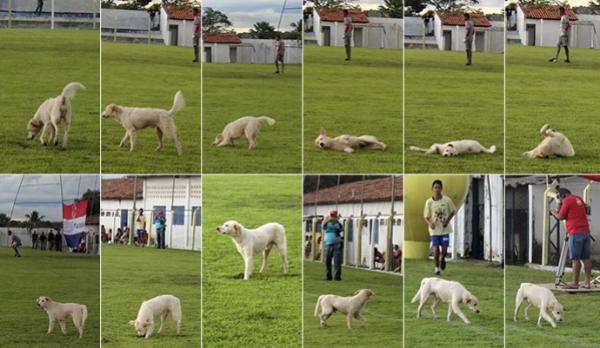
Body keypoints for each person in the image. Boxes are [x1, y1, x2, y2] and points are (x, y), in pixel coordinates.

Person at [551, 188, 593, 289]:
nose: (560, 200)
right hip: (586, 232)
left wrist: (553, 212)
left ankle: (575, 283)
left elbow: (561, 217)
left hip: (575, 232)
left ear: (563, 196)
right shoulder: (578, 198)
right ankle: (588, 283)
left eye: (559, 198)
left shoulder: (567, 200)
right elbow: (584, 210)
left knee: (575, 259)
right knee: (586, 258)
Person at [424, 179, 457, 275]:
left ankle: (442, 258)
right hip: (434, 230)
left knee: (445, 249)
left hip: (445, 229)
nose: (437, 189)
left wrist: (447, 220)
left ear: (441, 189)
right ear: (432, 189)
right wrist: (430, 224)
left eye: (439, 187)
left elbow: (453, 211)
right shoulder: (429, 202)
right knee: (436, 250)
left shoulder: (447, 200)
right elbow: (426, 217)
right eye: (435, 187)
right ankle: (436, 268)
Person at [323, 210, 343, 281]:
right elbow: (324, 226)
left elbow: (341, 229)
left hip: (336, 244)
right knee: (327, 261)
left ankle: (337, 277)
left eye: (333, 216)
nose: (332, 217)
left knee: (337, 262)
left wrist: (337, 222)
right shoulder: (327, 223)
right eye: (332, 216)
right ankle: (328, 276)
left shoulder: (338, 224)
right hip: (328, 244)